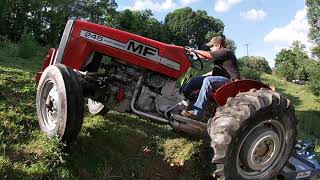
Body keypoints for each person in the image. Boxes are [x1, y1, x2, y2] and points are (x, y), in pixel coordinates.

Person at [181, 36, 240, 117]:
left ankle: (196, 112)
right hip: (221, 79)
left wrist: (192, 51)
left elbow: (207, 55)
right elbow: (216, 71)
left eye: (212, 46)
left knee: (208, 81)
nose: (210, 48)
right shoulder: (220, 58)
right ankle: (183, 100)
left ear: (218, 46)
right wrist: (203, 76)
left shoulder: (225, 52)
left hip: (231, 82)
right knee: (195, 80)